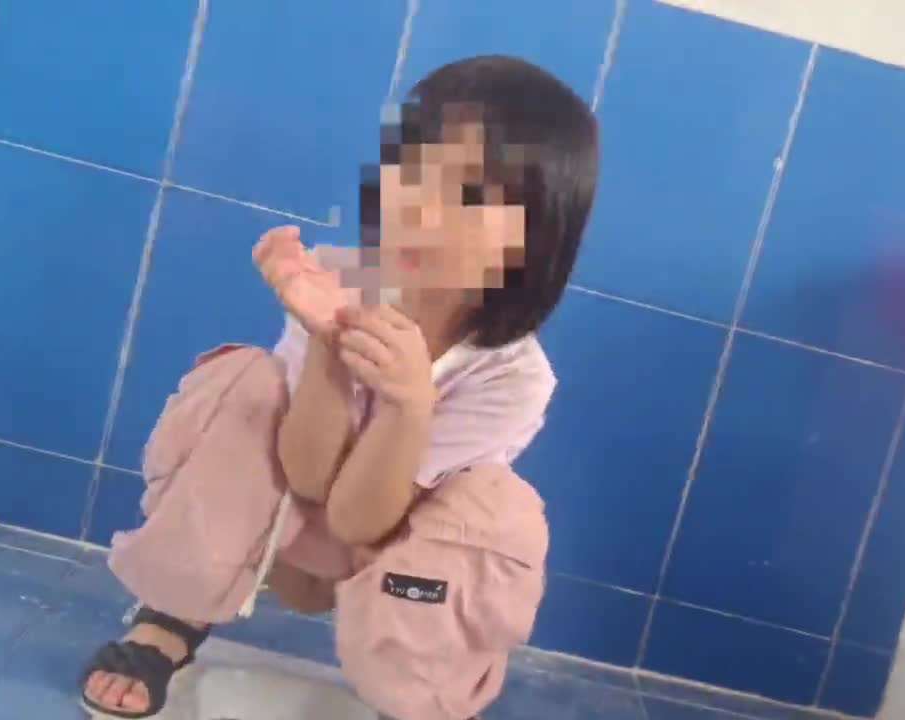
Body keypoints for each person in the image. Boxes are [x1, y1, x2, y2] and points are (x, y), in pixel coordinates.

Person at [78, 55, 599, 720]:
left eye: (470, 195)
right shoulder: (336, 282)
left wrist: (409, 404)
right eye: (410, 171)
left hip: (385, 564)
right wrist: (327, 339)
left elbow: (358, 522)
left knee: (499, 509)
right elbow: (304, 475)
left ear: (532, 239)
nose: (419, 207)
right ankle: (172, 613)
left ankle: (419, 696)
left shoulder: (511, 377)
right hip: (279, 534)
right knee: (246, 380)